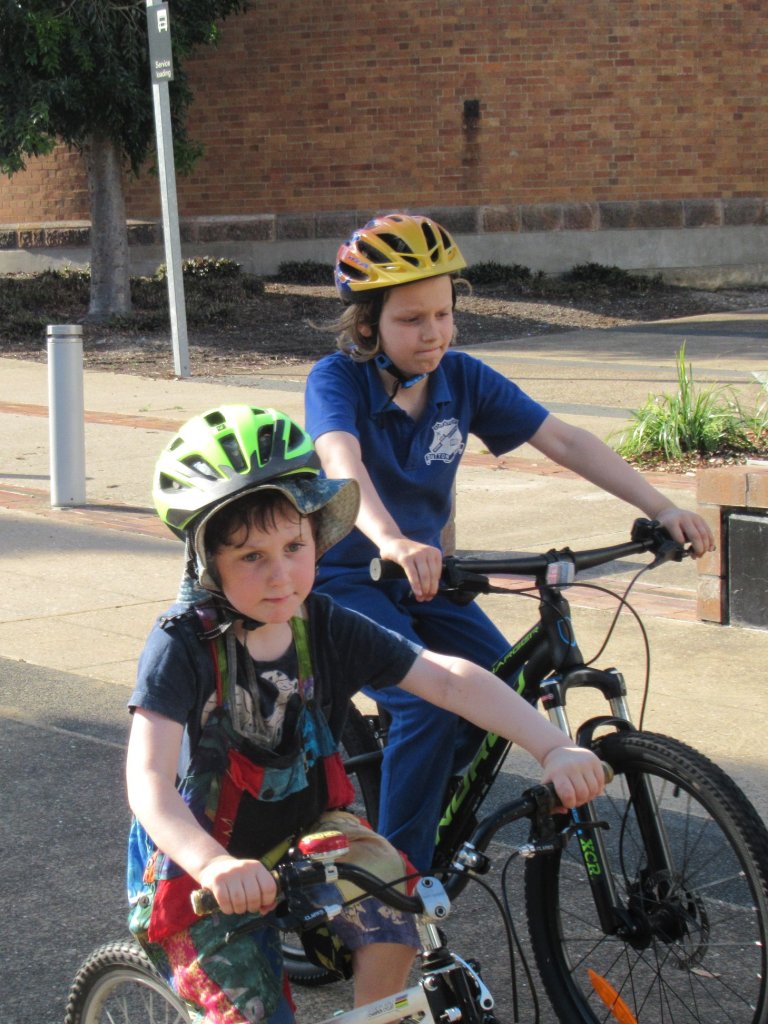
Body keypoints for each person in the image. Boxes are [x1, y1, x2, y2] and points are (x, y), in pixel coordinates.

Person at [125, 403, 605, 1024]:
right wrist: (212, 863)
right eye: (250, 557)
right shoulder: (181, 645)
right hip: (199, 864)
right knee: (255, 1011)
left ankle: (377, 1013)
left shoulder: (325, 624)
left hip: (307, 831)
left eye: (294, 546)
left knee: (398, 894)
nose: (280, 575)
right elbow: (149, 781)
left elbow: (447, 679)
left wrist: (551, 745)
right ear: (205, 563)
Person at [303, 211, 716, 874]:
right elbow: (339, 461)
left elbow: (565, 440)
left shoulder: (461, 378)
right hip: (347, 580)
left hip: (428, 578)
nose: (433, 332)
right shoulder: (337, 379)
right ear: (367, 325)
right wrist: (390, 539)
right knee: (430, 703)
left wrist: (661, 507)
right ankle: (396, 883)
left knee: (504, 689)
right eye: (411, 319)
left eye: (443, 313)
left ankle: (421, 794)